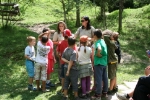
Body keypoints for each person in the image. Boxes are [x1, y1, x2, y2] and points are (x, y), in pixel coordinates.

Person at [91, 29, 108, 100]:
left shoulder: (97, 42)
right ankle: (105, 92)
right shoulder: (103, 41)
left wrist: (98, 54)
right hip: (104, 63)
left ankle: (98, 95)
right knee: (105, 78)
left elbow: (99, 49)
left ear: (95, 35)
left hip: (98, 63)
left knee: (98, 79)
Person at [56, 29, 72, 94]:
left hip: (63, 62)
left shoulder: (60, 43)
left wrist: (60, 57)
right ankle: (71, 86)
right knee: (71, 74)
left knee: (63, 76)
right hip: (71, 62)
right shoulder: (71, 42)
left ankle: (63, 88)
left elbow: (57, 52)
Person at [103, 30, 118, 94]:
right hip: (113, 61)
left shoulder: (111, 42)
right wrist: (111, 35)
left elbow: (105, 37)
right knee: (114, 75)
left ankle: (110, 89)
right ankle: (115, 87)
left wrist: (109, 35)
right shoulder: (112, 42)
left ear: (112, 38)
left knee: (112, 76)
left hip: (112, 61)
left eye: (111, 36)